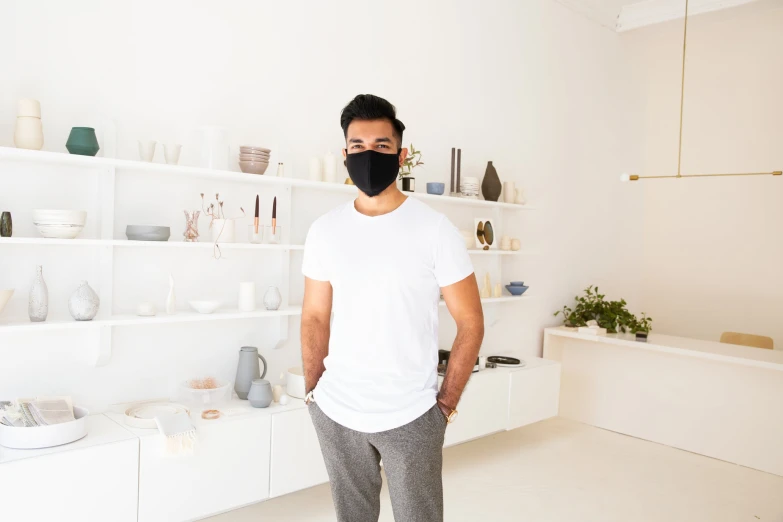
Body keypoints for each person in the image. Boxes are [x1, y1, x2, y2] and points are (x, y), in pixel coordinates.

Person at [301, 94, 484, 522]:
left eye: (381, 146)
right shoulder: (325, 231)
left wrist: (445, 407)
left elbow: (471, 323)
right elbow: (314, 316)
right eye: (358, 145)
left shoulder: (435, 230)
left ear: (401, 154)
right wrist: (313, 394)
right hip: (336, 411)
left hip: (412, 415)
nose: (369, 155)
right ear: (345, 154)